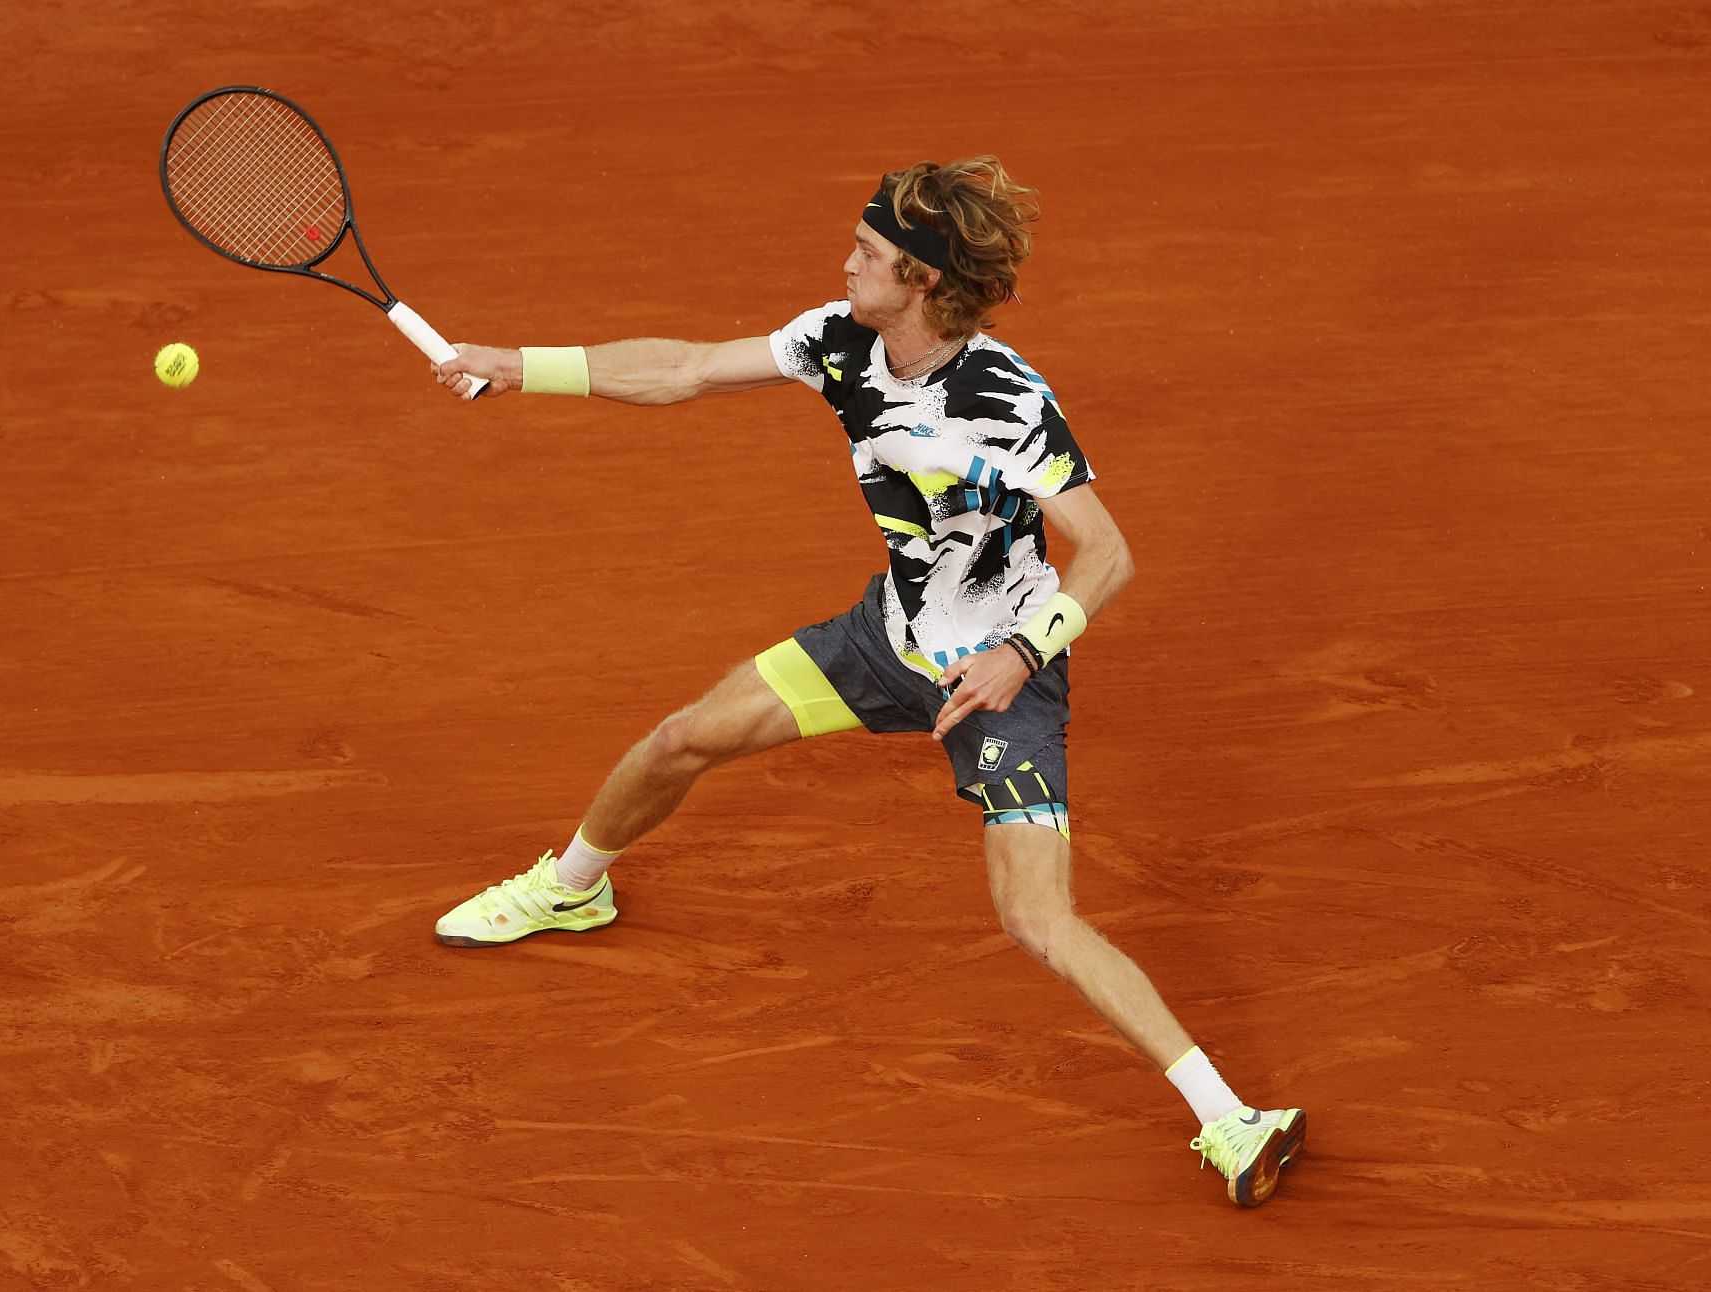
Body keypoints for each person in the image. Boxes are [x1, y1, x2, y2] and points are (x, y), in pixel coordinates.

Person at [425, 158, 1304, 1207]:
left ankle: (1228, 1115)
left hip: (1000, 678)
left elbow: (1107, 553)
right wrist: (522, 365)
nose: (846, 262)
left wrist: (1021, 652)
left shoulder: (1005, 399)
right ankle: (570, 888)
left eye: (869, 253)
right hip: (883, 643)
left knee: (1038, 917)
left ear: (925, 279)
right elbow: (689, 368)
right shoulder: (842, 337)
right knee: (678, 740)